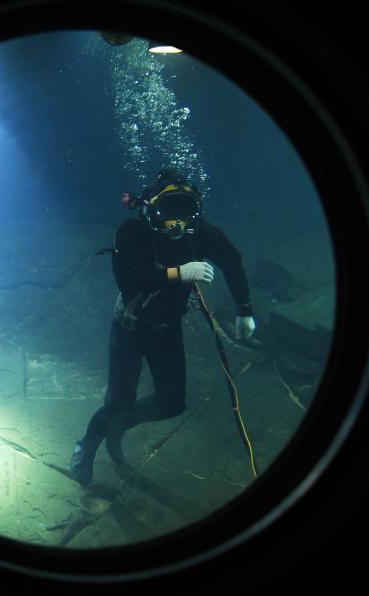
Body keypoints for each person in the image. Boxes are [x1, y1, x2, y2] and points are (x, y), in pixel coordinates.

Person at [70, 168, 256, 486]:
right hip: (129, 329)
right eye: (169, 210)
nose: (177, 222)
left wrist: (244, 310)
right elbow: (133, 279)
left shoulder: (199, 232)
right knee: (117, 403)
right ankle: (87, 445)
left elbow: (232, 261)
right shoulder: (132, 231)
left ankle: (120, 424)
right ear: (153, 208)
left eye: (185, 211)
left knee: (172, 403)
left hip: (168, 328)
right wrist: (180, 273)